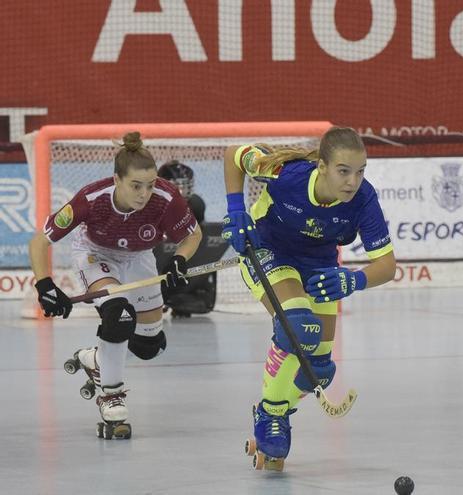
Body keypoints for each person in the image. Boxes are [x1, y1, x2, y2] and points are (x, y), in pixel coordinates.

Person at [222, 126, 396, 467]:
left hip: (318, 265)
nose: (352, 181)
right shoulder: (287, 176)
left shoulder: (364, 199)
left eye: (360, 172)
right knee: (299, 328)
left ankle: (276, 409)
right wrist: (236, 210)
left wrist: (354, 280)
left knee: (318, 370)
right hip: (270, 252)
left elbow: (387, 266)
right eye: (343, 171)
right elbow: (233, 154)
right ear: (322, 166)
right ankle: (272, 415)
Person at [29, 132, 202, 438]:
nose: (144, 193)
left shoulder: (166, 197)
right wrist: (45, 286)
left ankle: (95, 360)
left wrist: (179, 259)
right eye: (136, 185)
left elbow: (193, 235)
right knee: (119, 316)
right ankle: (111, 395)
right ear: (117, 179)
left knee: (149, 346)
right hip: (95, 254)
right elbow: (40, 242)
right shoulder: (90, 199)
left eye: (149, 185)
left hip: (139, 257)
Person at [156, 160, 215, 317]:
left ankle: (186, 294)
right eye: (178, 185)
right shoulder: (150, 203)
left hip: (180, 259)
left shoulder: (195, 205)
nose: (182, 190)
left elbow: (197, 237)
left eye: (186, 185)